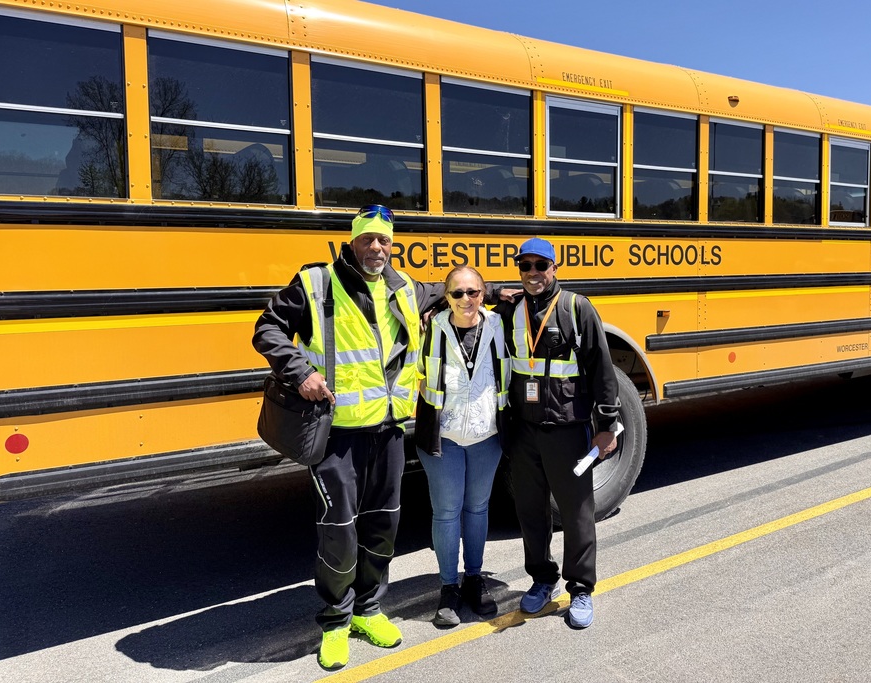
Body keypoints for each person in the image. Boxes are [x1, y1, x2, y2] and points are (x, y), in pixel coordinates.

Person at [252, 205, 448, 670]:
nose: (376, 248)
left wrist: (504, 292)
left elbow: (450, 292)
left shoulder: (405, 288)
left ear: (393, 244)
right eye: (368, 239)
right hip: (337, 435)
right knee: (339, 532)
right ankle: (336, 621)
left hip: (389, 431)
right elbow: (267, 328)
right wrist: (300, 372)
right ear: (353, 241)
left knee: (383, 526)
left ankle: (369, 608)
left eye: (384, 240)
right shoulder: (317, 283)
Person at [494, 237, 620, 629]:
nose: (532, 273)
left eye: (540, 266)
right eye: (525, 266)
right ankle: (541, 579)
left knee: (577, 511)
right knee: (530, 511)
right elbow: (465, 306)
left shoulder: (576, 308)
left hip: (567, 429)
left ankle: (580, 588)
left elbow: (602, 369)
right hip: (524, 429)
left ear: (554, 268)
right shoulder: (510, 310)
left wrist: (607, 427)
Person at [414, 265, 509, 627]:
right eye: (457, 293)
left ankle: (474, 578)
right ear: (445, 296)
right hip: (443, 437)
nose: (466, 300)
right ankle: (448, 588)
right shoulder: (430, 328)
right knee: (447, 511)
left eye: (474, 292)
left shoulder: (500, 326)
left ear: (483, 294)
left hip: (487, 435)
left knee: (478, 508)